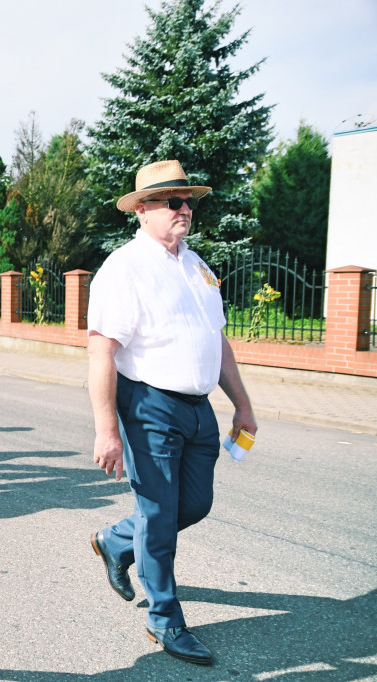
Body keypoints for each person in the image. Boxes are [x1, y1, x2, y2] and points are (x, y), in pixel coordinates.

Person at [87, 160, 257, 667]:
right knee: (159, 516)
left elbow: (217, 340)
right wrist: (106, 429)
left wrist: (242, 403)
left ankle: (115, 541)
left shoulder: (196, 264)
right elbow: (102, 350)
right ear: (143, 210)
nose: (185, 210)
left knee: (193, 505)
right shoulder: (124, 267)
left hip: (199, 407)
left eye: (189, 201)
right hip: (149, 406)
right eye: (172, 202)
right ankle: (164, 619)